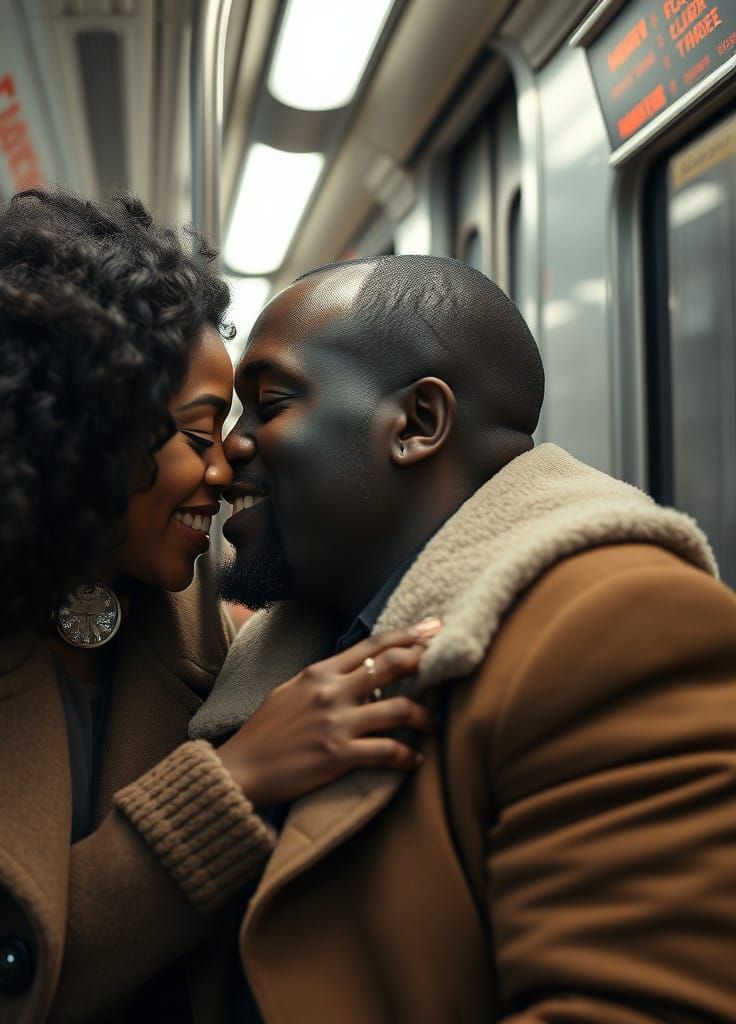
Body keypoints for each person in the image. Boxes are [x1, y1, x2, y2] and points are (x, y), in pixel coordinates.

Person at [0, 195, 435, 1023]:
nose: (224, 472)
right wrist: (229, 784)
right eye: (199, 436)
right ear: (80, 431)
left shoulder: (185, 600)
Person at [189, 254, 736, 1023]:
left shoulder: (622, 623)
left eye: (269, 405)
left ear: (417, 424)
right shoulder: (286, 651)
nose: (226, 453)